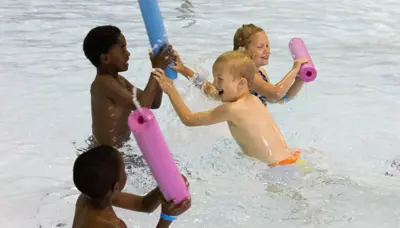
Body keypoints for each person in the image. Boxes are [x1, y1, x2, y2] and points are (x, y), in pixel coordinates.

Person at [152, 50, 303, 166]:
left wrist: (170, 89)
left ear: (241, 83)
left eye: (220, 79)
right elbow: (210, 91)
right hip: (294, 158)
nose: (215, 83)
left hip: (277, 171)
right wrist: (184, 69)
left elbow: (188, 119)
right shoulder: (253, 99)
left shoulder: (231, 110)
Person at [47, 145, 191, 228]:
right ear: (115, 187)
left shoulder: (86, 198)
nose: (126, 171)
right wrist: (167, 217)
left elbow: (143, 205)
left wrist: (165, 185)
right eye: (124, 170)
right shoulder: (112, 225)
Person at [170, 24, 308, 105]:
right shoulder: (246, 76)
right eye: (260, 46)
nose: (267, 50)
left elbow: (280, 99)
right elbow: (275, 94)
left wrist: (299, 80)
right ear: (243, 50)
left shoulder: (261, 74)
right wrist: (294, 70)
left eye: (267, 45)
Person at [83, 25, 174, 147]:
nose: (128, 53)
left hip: (120, 150)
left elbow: (154, 103)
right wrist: (157, 69)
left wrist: (157, 70)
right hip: (104, 153)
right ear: (106, 58)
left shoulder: (120, 81)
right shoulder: (103, 84)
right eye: (122, 49)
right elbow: (142, 109)